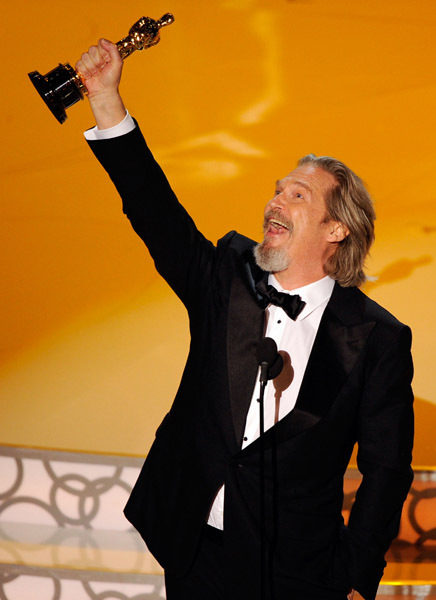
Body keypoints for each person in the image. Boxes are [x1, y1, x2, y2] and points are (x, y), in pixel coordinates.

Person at [77, 39, 414, 600]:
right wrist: (107, 101)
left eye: (298, 195)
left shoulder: (377, 339)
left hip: (299, 572)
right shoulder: (227, 280)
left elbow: (386, 471)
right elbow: (154, 210)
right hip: (194, 550)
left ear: (337, 229)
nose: (275, 202)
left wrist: (355, 577)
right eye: (276, 191)